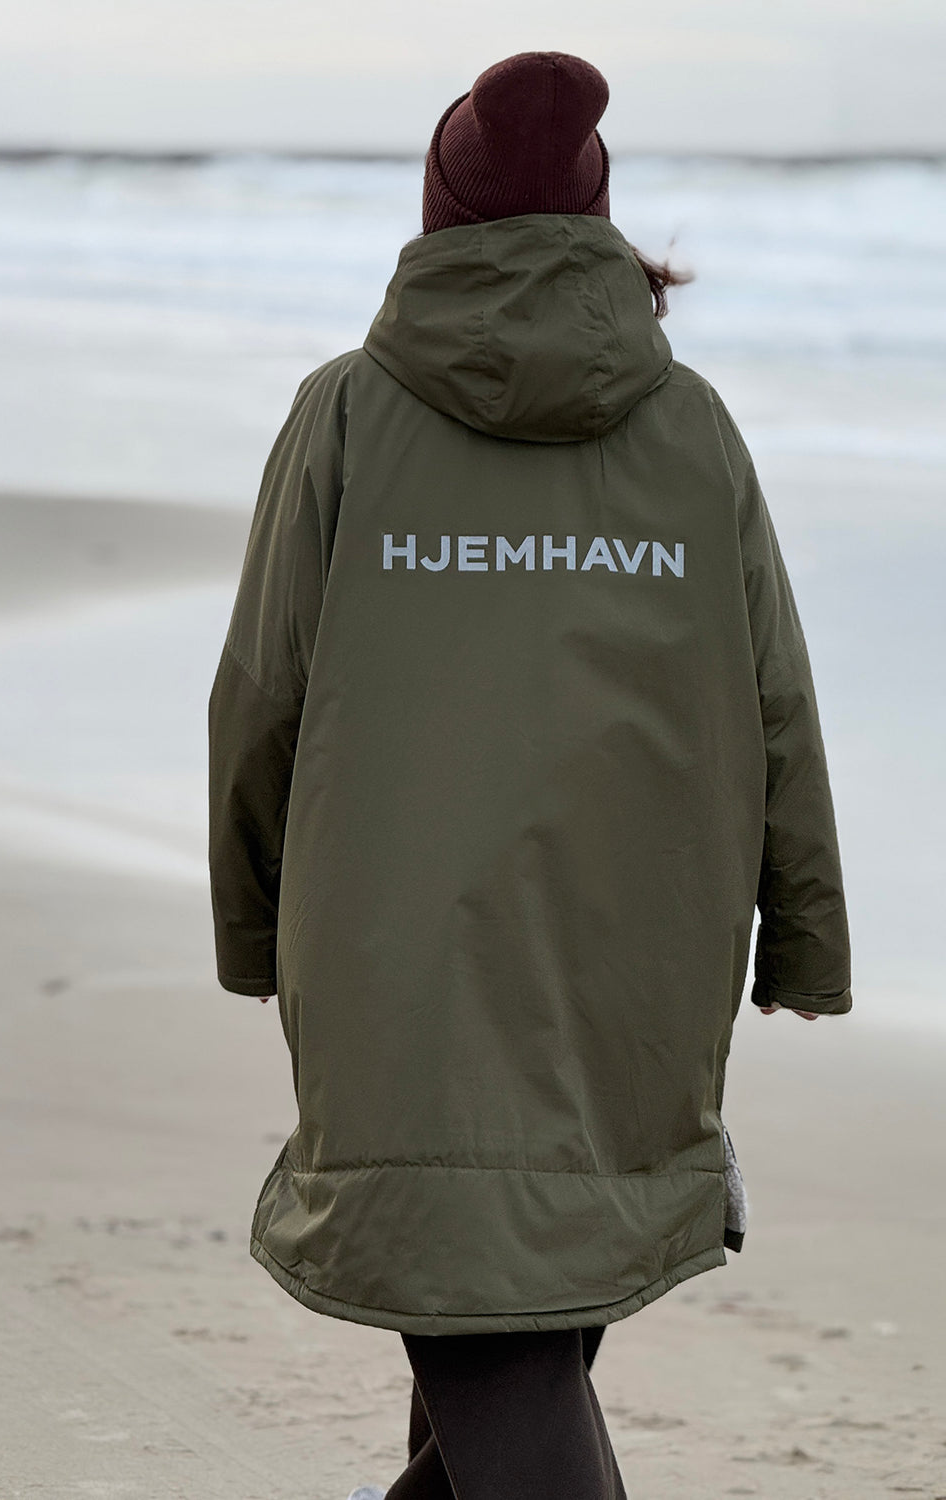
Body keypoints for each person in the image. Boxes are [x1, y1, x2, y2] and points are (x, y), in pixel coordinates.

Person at [207, 50, 852, 1500]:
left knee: (494, 1329)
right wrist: (803, 936)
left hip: (397, 961)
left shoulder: (349, 415)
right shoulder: (692, 429)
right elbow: (778, 709)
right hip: (641, 961)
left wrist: (254, 930)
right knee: (516, 1312)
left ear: (438, 212)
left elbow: (259, 699)